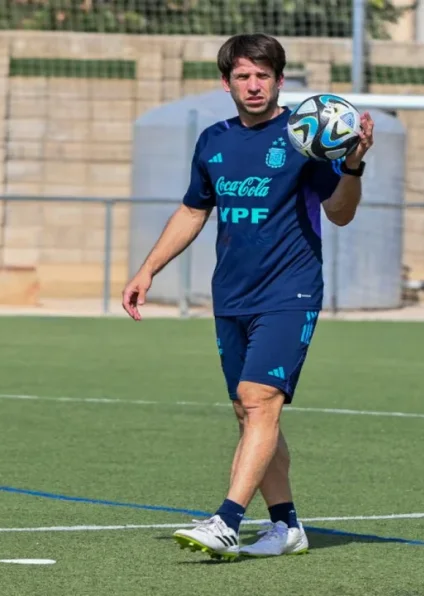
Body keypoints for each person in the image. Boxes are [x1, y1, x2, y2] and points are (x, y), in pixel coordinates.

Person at [121, 32, 374, 560]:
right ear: (226, 83)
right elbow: (193, 210)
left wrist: (352, 165)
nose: (253, 85)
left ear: (280, 81)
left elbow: (341, 213)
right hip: (231, 295)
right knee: (247, 409)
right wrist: (148, 269)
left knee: (260, 401)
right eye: (243, 76)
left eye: (263, 75)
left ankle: (228, 521)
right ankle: (287, 526)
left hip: (290, 291)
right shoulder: (214, 140)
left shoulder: (307, 136)